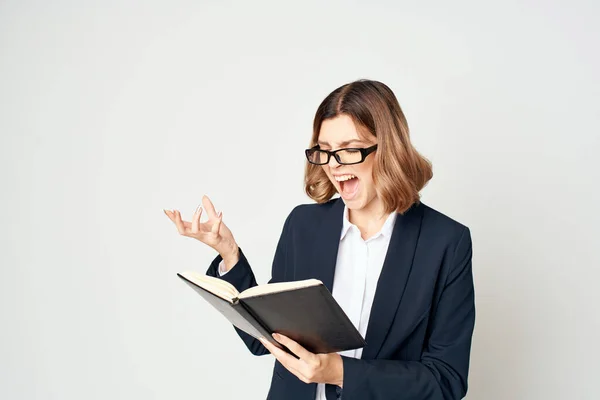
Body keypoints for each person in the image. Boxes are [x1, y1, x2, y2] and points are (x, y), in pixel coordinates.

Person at [164, 79, 475, 400]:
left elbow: (446, 381)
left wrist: (337, 372)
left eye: (350, 149)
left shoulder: (446, 242)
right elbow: (265, 340)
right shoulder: (303, 225)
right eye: (325, 151)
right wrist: (228, 253)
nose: (335, 165)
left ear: (388, 149)